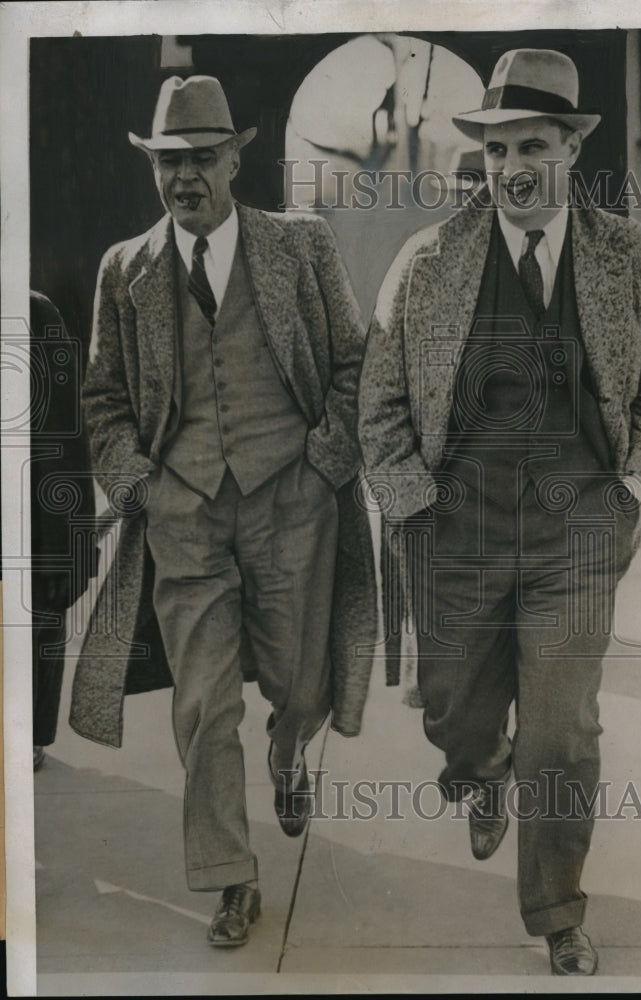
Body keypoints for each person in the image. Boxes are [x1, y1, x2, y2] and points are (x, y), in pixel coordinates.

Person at [358, 49, 641, 976]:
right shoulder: (429, 261)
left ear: (571, 149)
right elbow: (379, 405)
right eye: (498, 148)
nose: (512, 167)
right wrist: (410, 504)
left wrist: (635, 489)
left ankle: (557, 910)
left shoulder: (631, 256)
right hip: (452, 529)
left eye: (532, 145)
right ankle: (477, 774)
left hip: (575, 533)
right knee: (455, 713)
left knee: (562, 729)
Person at [70, 75, 375, 948]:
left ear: (238, 158)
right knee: (203, 706)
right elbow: (103, 401)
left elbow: (356, 364)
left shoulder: (301, 249)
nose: (183, 177)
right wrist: (144, 488)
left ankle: (289, 756)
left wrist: (321, 469)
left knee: (300, 684)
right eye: (168, 162)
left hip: (295, 508)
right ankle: (230, 879)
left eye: (202, 158)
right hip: (185, 519)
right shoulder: (125, 269)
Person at [30, 291, 97, 771]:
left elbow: (68, 436)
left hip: (34, 511)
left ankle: (31, 733)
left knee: (39, 611)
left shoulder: (35, 314)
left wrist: (72, 544)